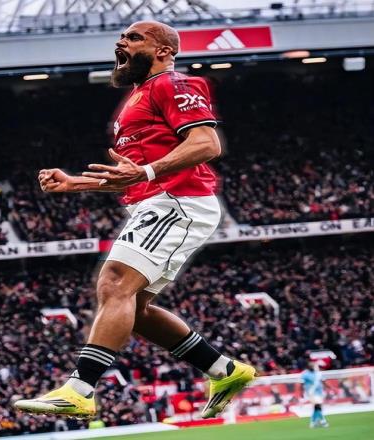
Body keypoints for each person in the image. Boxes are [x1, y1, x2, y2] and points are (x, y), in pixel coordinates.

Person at [13, 20, 255, 419]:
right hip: (157, 201)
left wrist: (145, 172)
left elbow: (206, 143)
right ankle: (225, 370)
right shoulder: (139, 97)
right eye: (122, 37)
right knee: (135, 311)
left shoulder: (172, 83)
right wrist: (76, 183)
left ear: (163, 50)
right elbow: (132, 175)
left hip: (178, 202)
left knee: (114, 284)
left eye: (133, 37)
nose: (121, 42)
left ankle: (80, 390)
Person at [301, 362, 329, 428]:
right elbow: (301, 384)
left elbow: (324, 381)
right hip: (311, 392)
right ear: (309, 367)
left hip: (319, 392)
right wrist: (301, 392)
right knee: (317, 406)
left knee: (317, 408)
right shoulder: (305, 374)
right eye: (312, 366)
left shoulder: (318, 374)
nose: (314, 367)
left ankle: (313, 422)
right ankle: (323, 421)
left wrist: (331, 388)